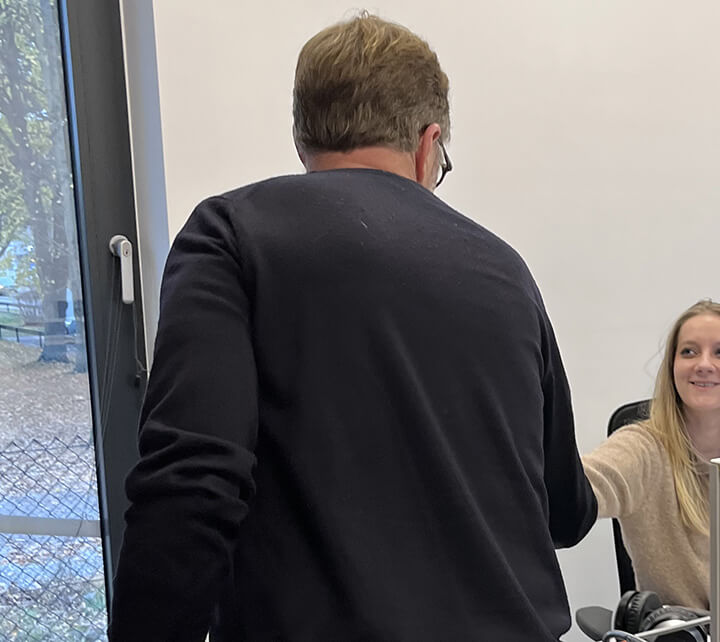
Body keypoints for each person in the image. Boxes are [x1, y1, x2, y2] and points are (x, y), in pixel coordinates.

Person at [108, 13, 596, 641]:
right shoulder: (506, 271)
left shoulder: (234, 235)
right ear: (428, 144)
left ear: (301, 139)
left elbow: (192, 484)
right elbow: (564, 511)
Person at [582, 300, 720, 610]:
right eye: (689, 351)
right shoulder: (642, 449)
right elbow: (579, 486)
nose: (703, 364)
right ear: (672, 369)